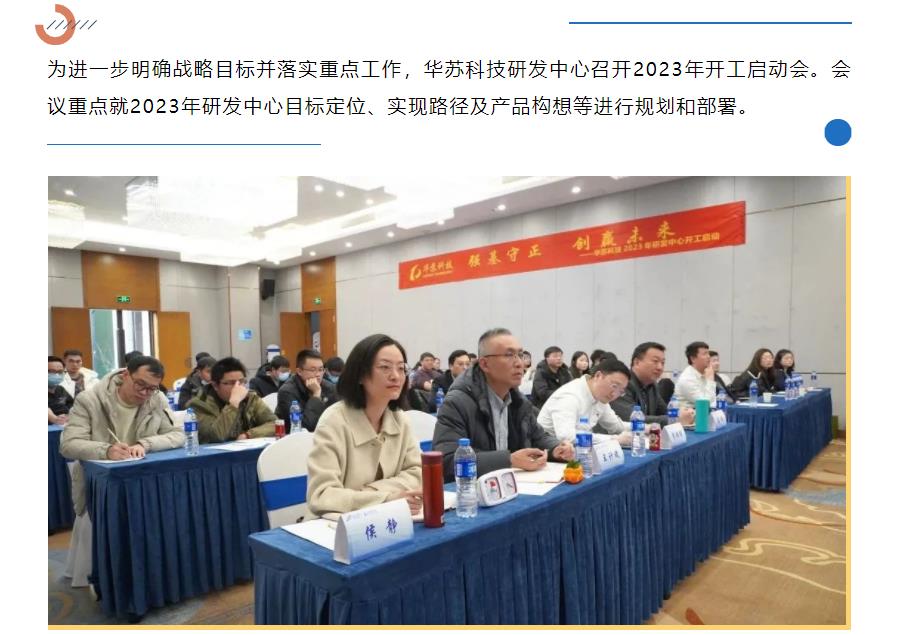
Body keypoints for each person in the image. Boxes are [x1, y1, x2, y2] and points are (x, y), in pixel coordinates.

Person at [432, 328, 575, 482]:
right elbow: (447, 460)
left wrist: (556, 449)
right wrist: (508, 460)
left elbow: (538, 437)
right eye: (509, 355)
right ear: (485, 364)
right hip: (472, 491)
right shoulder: (458, 402)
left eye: (520, 355)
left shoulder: (518, 401)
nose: (519, 363)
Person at [306, 334, 422, 517]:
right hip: (334, 525)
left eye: (401, 368)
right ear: (360, 374)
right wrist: (385, 499)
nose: (396, 376)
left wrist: (374, 493)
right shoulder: (334, 422)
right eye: (385, 367)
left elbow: (419, 473)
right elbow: (322, 495)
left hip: (388, 521)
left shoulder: (399, 419)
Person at [60, 356, 185, 511]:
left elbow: (178, 435)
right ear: (125, 375)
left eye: (152, 388)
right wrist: (106, 451)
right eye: (140, 384)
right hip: (102, 486)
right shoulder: (89, 400)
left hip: (144, 481)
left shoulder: (157, 398)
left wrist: (145, 444)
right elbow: (69, 444)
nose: (144, 392)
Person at [538, 358, 634, 446]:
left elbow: (615, 426)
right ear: (598, 376)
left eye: (620, 391)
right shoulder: (570, 396)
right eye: (614, 386)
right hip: (549, 451)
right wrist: (614, 439)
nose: (614, 394)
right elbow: (567, 437)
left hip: (580, 451)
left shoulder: (600, 396)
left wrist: (641, 427)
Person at [189, 357, 277, 442]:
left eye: (241, 381)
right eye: (231, 383)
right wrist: (233, 404)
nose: (238, 387)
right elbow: (216, 436)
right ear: (215, 385)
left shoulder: (250, 398)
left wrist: (248, 435)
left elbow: (275, 424)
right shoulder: (200, 404)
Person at [612, 342, 695, 427]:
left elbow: (665, 411)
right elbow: (631, 419)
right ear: (637, 362)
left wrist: (682, 413)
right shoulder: (623, 384)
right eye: (655, 361)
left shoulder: (652, 385)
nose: (660, 367)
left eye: (662, 363)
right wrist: (674, 419)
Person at [275, 349, 338, 431]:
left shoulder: (330, 388)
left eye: (320, 369)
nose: (318, 374)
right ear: (299, 371)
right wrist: (316, 395)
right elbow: (304, 427)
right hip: (294, 437)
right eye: (313, 370)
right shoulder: (287, 392)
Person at [674, 341, 717, 407]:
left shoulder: (704, 373)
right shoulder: (687, 379)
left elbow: (713, 401)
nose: (708, 357)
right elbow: (705, 403)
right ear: (693, 359)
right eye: (705, 354)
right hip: (691, 412)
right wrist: (710, 380)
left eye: (708, 353)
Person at [48, 355, 74, 424]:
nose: (56, 375)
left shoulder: (61, 389)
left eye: (60, 372)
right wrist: (55, 419)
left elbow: (73, 406)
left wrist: (68, 416)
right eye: (51, 371)